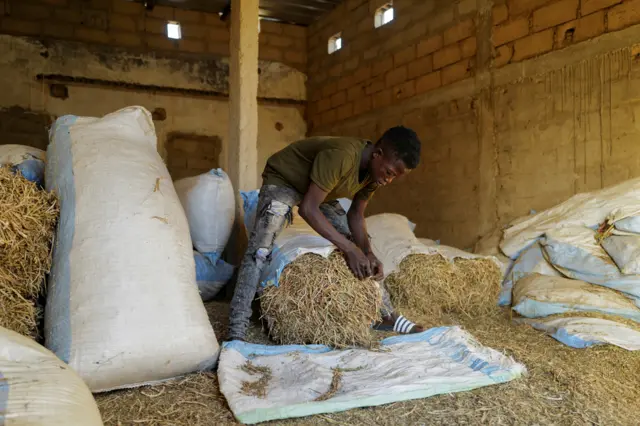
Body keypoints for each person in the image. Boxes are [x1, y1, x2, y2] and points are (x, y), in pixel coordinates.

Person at [228, 126, 424, 341]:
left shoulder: (374, 173)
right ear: (377, 154)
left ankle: (387, 314)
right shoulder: (342, 156)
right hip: (285, 180)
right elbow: (308, 208)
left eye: (394, 177)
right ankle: (237, 328)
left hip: (319, 191)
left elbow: (356, 214)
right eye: (389, 173)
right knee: (260, 251)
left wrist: (366, 251)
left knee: (359, 249)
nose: (388, 180)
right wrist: (349, 249)